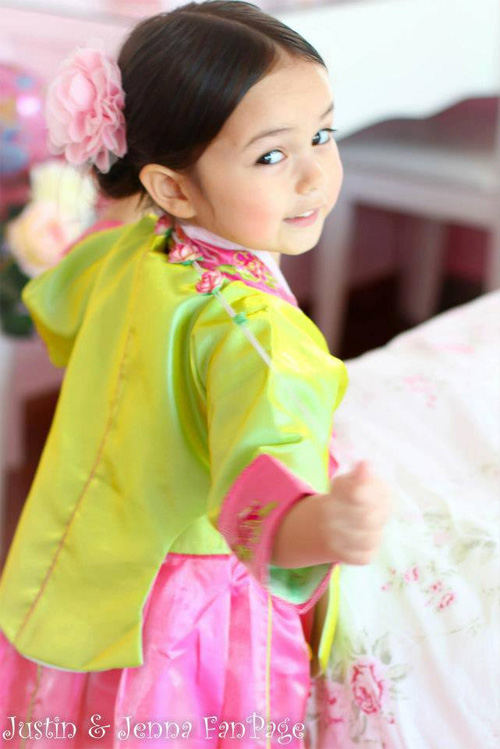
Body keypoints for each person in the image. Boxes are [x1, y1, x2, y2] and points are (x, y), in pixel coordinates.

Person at [0, 2, 392, 747]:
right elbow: (257, 506)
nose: (315, 175)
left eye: (322, 135)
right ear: (175, 188)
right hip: (183, 611)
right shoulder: (256, 334)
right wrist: (327, 526)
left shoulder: (130, 243)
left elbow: (60, 309)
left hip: (82, 554)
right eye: (272, 157)